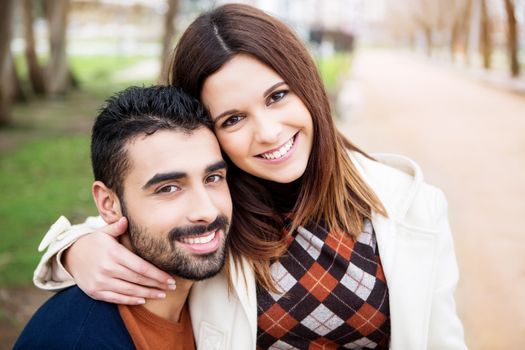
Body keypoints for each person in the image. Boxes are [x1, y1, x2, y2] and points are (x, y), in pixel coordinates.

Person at [32, 4, 467, 349]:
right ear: (208, 132)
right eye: (234, 118)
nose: (269, 133)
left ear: (307, 84)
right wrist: (75, 248)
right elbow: (140, 217)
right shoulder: (217, 211)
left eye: (277, 96)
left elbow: (441, 340)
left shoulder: (410, 204)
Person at [16, 86, 232, 349]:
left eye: (213, 178)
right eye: (168, 188)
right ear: (108, 204)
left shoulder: (219, 294)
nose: (207, 211)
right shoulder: (73, 341)